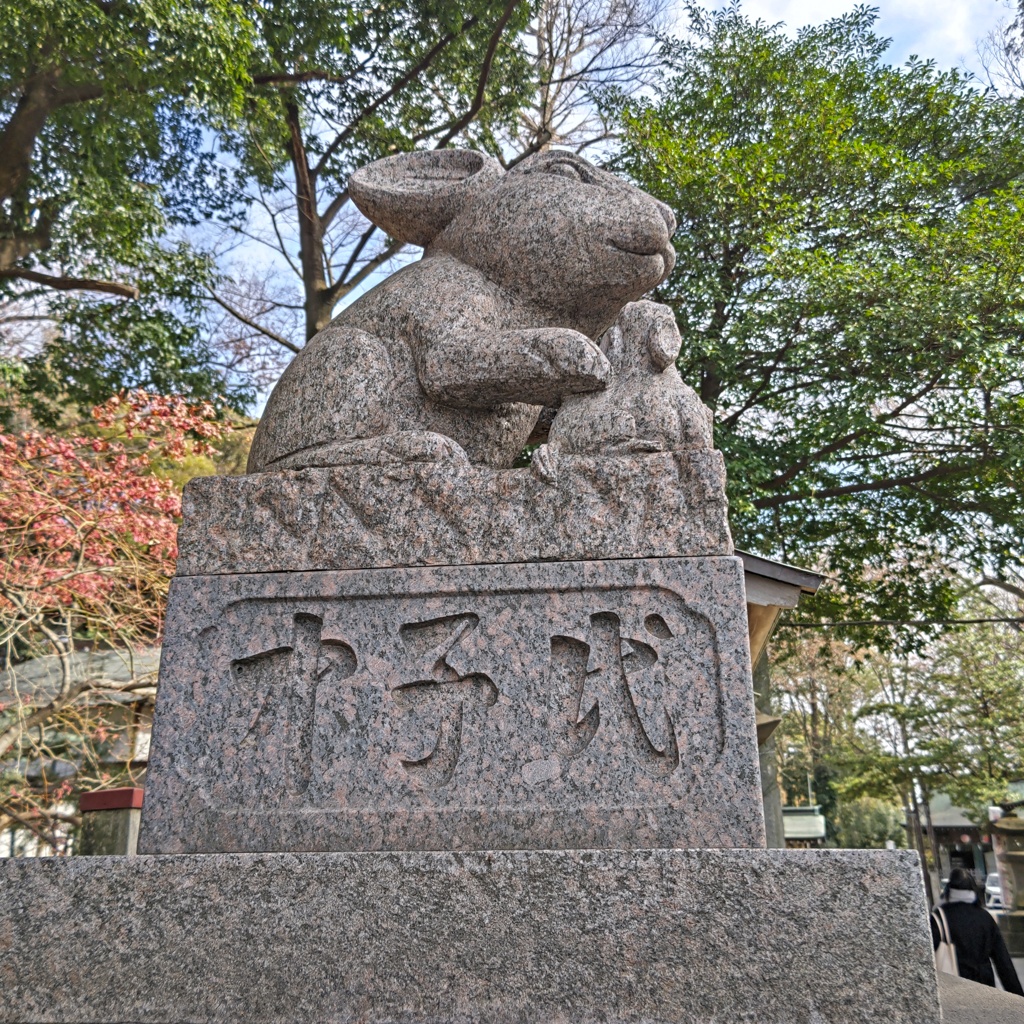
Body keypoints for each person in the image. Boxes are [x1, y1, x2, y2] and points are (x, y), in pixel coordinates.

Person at [931, 867, 1024, 995]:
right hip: (985, 984)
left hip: (953, 985)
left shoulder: (938, 917)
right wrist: (1018, 996)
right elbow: (1003, 961)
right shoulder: (984, 917)